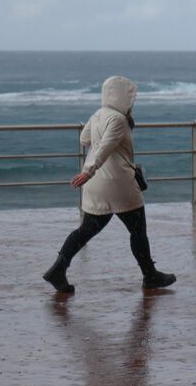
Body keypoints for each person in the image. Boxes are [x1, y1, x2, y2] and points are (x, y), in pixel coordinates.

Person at [43, 76, 176, 293]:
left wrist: (90, 170)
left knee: (85, 230)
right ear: (123, 96)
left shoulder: (98, 114)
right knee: (138, 230)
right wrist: (88, 171)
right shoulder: (118, 120)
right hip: (118, 184)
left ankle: (59, 269)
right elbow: (105, 147)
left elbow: (84, 140)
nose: (132, 103)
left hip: (96, 185)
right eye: (130, 98)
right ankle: (150, 275)